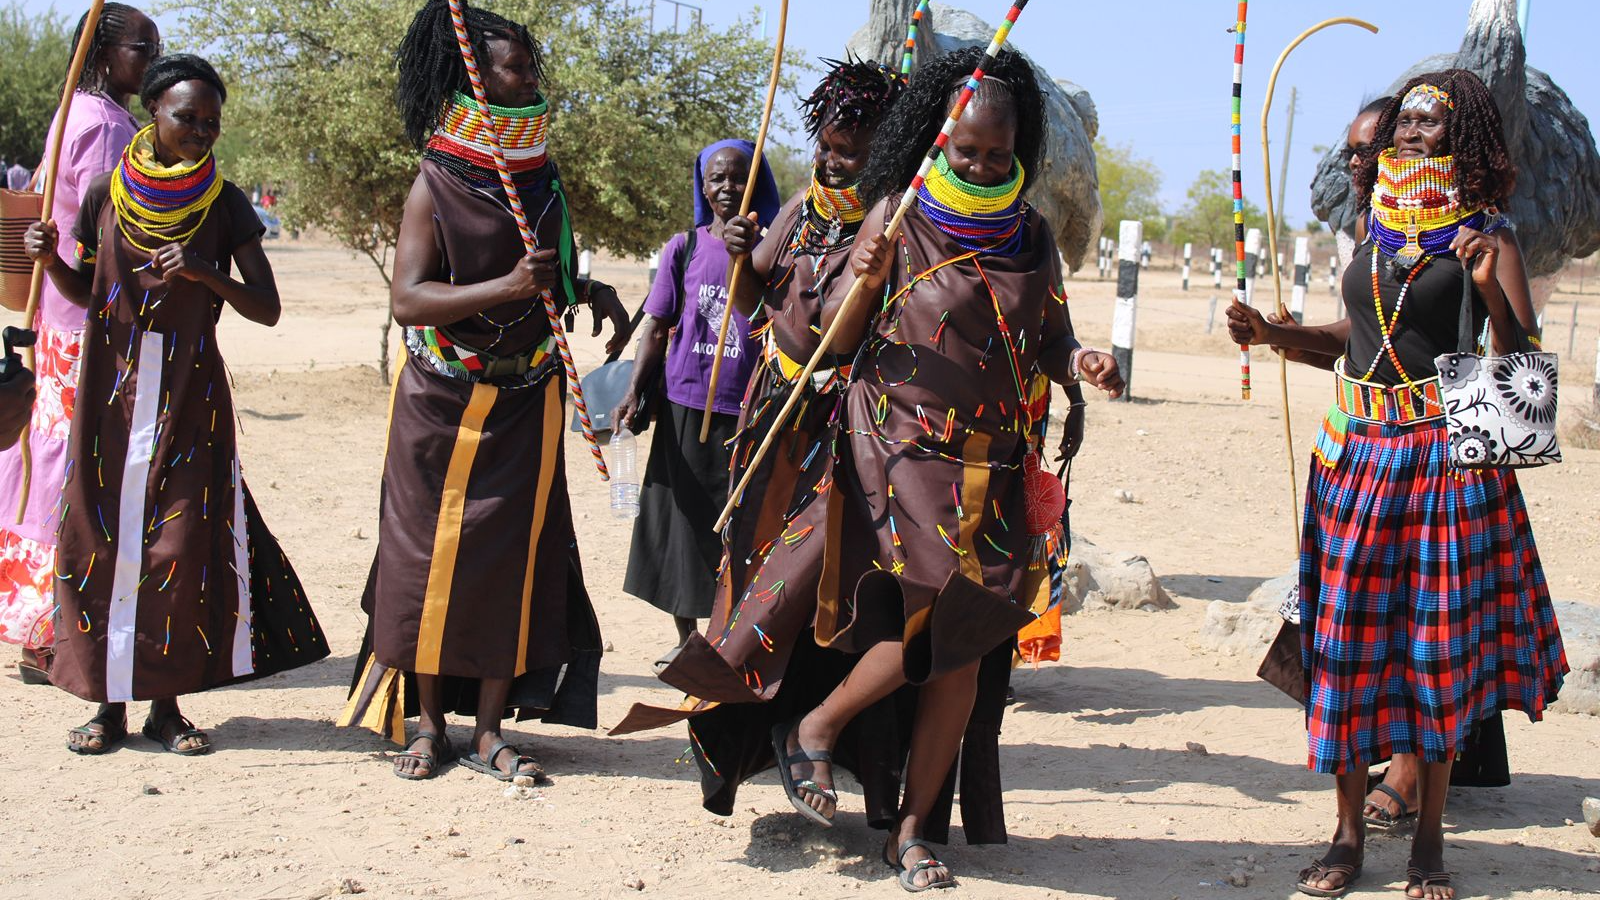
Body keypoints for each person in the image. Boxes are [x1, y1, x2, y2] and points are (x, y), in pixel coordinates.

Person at [788, 48, 1123, 890]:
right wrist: (861, 279)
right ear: (937, 138)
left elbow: (1047, 332)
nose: (980, 165)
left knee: (966, 655)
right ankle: (817, 727)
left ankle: (912, 833)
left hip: (998, 460)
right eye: (966, 150)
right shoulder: (899, 214)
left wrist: (1080, 358)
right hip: (900, 445)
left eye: (997, 154)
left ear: (1020, 152)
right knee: (942, 615)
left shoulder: (1029, 232)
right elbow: (828, 335)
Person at [1228, 70, 1566, 900]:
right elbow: (1355, 337)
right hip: (1354, 456)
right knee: (1343, 649)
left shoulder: (1489, 235)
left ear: (1466, 139)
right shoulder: (1374, 229)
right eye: (1405, 121)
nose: (1412, 133)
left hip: (1445, 464)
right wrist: (1275, 332)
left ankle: (1427, 846)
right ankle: (1345, 838)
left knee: (1434, 656)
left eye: (1431, 121)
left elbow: (1526, 379)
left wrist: (1490, 290)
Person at [609, 56, 908, 821]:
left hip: (846, 425)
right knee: (747, 571)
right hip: (771, 415)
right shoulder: (804, 205)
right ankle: (732, 738)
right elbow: (752, 298)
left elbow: (855, 329)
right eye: (827, 147)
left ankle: (813, 733)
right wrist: (744, 252)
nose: (833, 161)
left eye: (850, 152)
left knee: (822, 587)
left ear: (883, 149)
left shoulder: (895, 215)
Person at [338, 0, 627, 783]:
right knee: (426, 557)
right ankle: (429, 726)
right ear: (475, 76)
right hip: (439, 397)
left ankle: (492, 730)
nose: (529, 77)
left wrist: (584, 288)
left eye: (530, 66)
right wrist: (506, 284)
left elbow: (546, 270)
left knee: (512, 560)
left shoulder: (540, 175)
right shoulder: (437, 180)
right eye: (514, 67)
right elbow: (408, 298)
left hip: (528, 394)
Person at [24, 53, 329, 755]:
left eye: (211, 123)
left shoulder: (224, 204)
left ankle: (166, 706)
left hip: (190, 398)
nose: (200, 131)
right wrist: (48, 261)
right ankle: (107, 706)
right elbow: (86, 291)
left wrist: (203, 272)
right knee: (100, 541)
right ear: (153, 114)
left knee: (179, 545)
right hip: (110, 396)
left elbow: (269, 308)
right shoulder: (105, 193)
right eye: (186, 117)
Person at [0, 3, 158, 684]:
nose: (152, 62)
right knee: (67, 463)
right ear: (103, 52)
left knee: (60, 457)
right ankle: (44, 628)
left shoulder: (91, 117)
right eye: (141, 49)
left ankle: (52, 619)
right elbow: (103, 234)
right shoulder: (100, 126)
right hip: (80, 318)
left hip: (65, 315)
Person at [611, 138, 779, 661]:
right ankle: (686, 642)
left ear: (756, 185)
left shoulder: (773, 249)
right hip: (685, 406)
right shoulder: (682, 247)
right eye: (717, 178)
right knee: (681, 527)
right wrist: (635, 388)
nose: (728, 188)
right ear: (702, 187)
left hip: (747, 410)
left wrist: (746, 257)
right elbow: (657, 326)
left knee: (739, 528)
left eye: (739, 178)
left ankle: (726, 639)